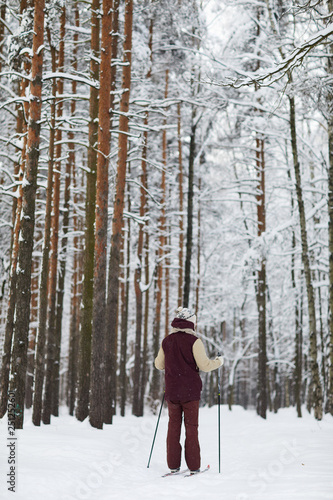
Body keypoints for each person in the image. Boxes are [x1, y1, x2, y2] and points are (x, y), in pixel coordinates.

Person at [154, 306, 223, 475]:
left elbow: (159, 364)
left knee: (173, 427)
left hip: (172, 392)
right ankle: (193, 466)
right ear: (191, 323)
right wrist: (219, 362)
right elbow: (205, 366)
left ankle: (173, 465)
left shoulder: (167, 341)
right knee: (191, 428)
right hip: (190, 393)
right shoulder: (194, 341)